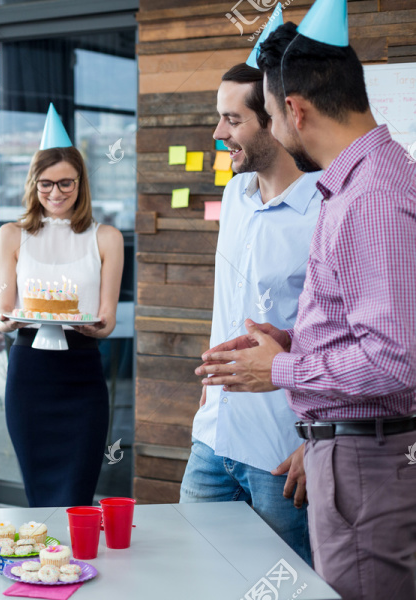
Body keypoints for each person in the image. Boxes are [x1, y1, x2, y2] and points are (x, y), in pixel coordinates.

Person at [196, 4, 416, 598]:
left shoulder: (370, 197)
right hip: (345, 452)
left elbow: (397, 360)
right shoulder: (361, 182)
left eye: (265, 113)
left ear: (293, 110)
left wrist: (282, 367)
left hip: (364, 459)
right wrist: (294, 341)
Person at [180, 60, 321, 566]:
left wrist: (319, 442)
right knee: (196, 573)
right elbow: (230, 306)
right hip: (213, 437)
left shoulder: (327, 212)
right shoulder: (235, 195)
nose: (220, 134)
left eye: (232, 120)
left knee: (289, 586)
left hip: (282, 451)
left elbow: (342, 334)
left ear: (277, 121)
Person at [0, 104, 124, 507]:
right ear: (33, 184)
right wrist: (5, 322)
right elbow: (4, 313)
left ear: (82, 183)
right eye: (46, 184)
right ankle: (42, 568)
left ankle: (74, 567)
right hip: (30, 375)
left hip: (82, 374)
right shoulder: (11, 235)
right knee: (39, 493)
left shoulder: (106, 237)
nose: (56, 193)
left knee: (77, 494)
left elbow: (106, 322)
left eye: (66, 184)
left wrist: (96, 327)